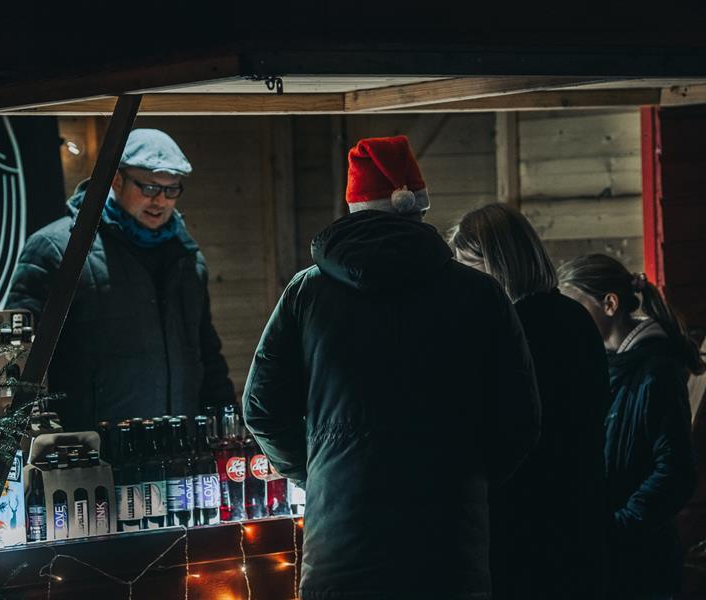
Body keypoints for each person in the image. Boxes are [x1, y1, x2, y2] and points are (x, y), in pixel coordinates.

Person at [242, 135, 541, 600]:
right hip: (449, 546)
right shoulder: (480, 295)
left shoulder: (306, 295)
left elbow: (262, 406)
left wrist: (318, 472)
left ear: (355, 208)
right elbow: (520, 417)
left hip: (342, 545)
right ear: (417, 210)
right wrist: (467, 476)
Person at [7, 128, 235, 430]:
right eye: (149, 188)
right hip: (87, 455)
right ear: (115, 180)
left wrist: (228, 424)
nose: (160, 201)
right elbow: (17, 361)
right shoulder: (58, 250)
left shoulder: (187, 258)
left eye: (171, 190)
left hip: (177, 451)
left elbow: (207, 356)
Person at [450, 203, 610, 600]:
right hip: (579, 514)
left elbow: (503, 430)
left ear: (497, 263)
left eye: (470, 267)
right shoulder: (574, 316)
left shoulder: (513, 329)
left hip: (527, 525)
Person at [558, 254, 700, 600]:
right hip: (612, 553)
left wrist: (619, 527)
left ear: (609, 304)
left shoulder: (656, 373)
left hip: (640, 559)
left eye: (575, 307)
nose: (568, 321)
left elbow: (675, 471)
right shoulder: (604, 366)